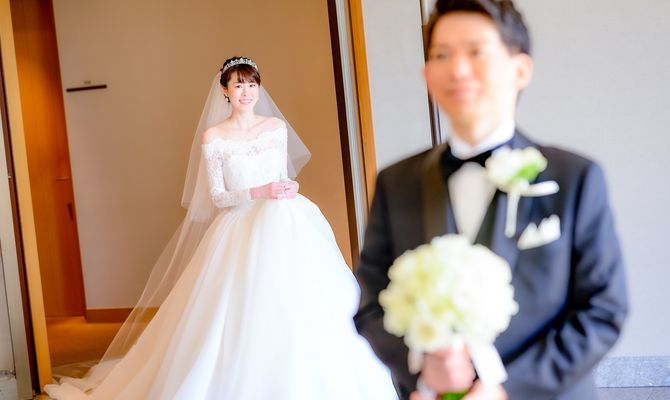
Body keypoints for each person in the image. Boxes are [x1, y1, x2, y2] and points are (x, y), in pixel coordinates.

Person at [44, 56, 398, 399]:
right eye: (238, 85)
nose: (246, 92)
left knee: (303, 300)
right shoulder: (213, 137)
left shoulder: (275, 128)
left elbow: (281, 176)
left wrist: (289, 187)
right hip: (240, 226)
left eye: (252, 85)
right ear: (225, 90)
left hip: (284, 223)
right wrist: (258, 191)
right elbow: (218, 196)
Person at [353, 1, 628, 399]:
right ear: (428, 74)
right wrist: (422, 367)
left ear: (521, 70)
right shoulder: (396, 182)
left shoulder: (574, 178)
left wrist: (506, 388)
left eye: (476, 52)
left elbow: (603, 309)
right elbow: (371, 303)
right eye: (441, 55)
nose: (458, 69)